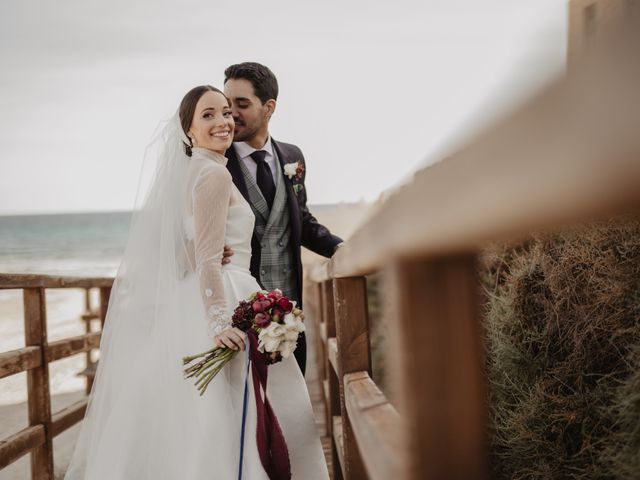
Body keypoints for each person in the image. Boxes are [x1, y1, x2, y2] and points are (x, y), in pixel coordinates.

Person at [65, 86, 329, 479]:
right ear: (187, 129)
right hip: (224, 295)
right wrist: (220, 324)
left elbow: (188, 254)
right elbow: (208, 261)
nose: (222, 121)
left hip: (202, 298)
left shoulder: (195, 172)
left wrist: (199, 260)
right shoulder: (213, 177)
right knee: (227, 414)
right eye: (207, 115)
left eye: (225, 112)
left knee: (201, 417)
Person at [223, 62, 343, 375]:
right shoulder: (215, 161)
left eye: (242, 104)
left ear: (269, 107)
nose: (231, 113)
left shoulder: (292, 157)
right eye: (227, 104)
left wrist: (342, 249)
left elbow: (301, 221)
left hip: (288, 311)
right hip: (238, 308)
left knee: (292, 403)